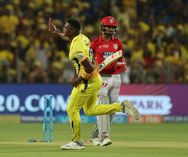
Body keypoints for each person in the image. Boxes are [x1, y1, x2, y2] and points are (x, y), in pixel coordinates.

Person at [48, 18, 140, 150]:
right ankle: (121, 107)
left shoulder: (76, 50)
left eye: (65, 28)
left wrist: (78, 80)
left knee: (71, 109)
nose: (64, 29)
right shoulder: (82, 38)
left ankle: (76, 142)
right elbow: (73, 40)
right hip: (97, 80)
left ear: (73, 30)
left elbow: (89, 68)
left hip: (87, 80)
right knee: (90, 110)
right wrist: (57, 32)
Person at [90, 16, 127, 146]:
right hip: (102, 78)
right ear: (102, 27)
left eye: (112, 27)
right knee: (103, 106)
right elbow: (88, 59)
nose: (110, 29)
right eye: (108, 27)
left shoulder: (118, 43)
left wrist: (116, 65)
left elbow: (123, 62)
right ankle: (104, 137)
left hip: (116, 78)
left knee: (112, 110)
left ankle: (94, 136)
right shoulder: (94, 43)